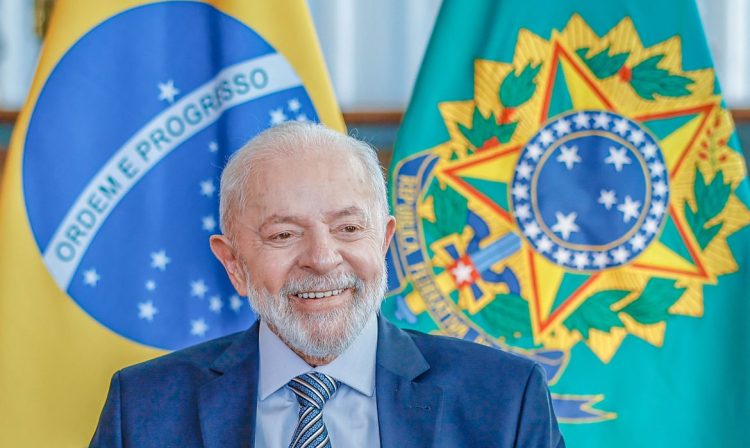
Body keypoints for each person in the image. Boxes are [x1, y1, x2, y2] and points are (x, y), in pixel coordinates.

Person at [90, 122, 565, 447]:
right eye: (283, 234)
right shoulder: (144, 408)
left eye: (349, 228)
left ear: (383, 241)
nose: (321, 258)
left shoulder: (505, 399)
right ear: (233, 263)